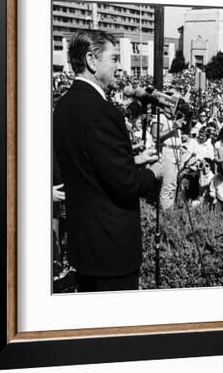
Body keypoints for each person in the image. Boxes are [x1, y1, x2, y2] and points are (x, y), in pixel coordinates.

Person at [53, 30, 163, 292]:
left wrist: (133, 158)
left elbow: (89, 164)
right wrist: (154, 173)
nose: (119, 65)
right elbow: (125, 184)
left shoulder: (64, 105)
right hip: (111, 251)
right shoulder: (101, 112)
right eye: (114, 58)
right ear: (92, 60)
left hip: (85, 247)